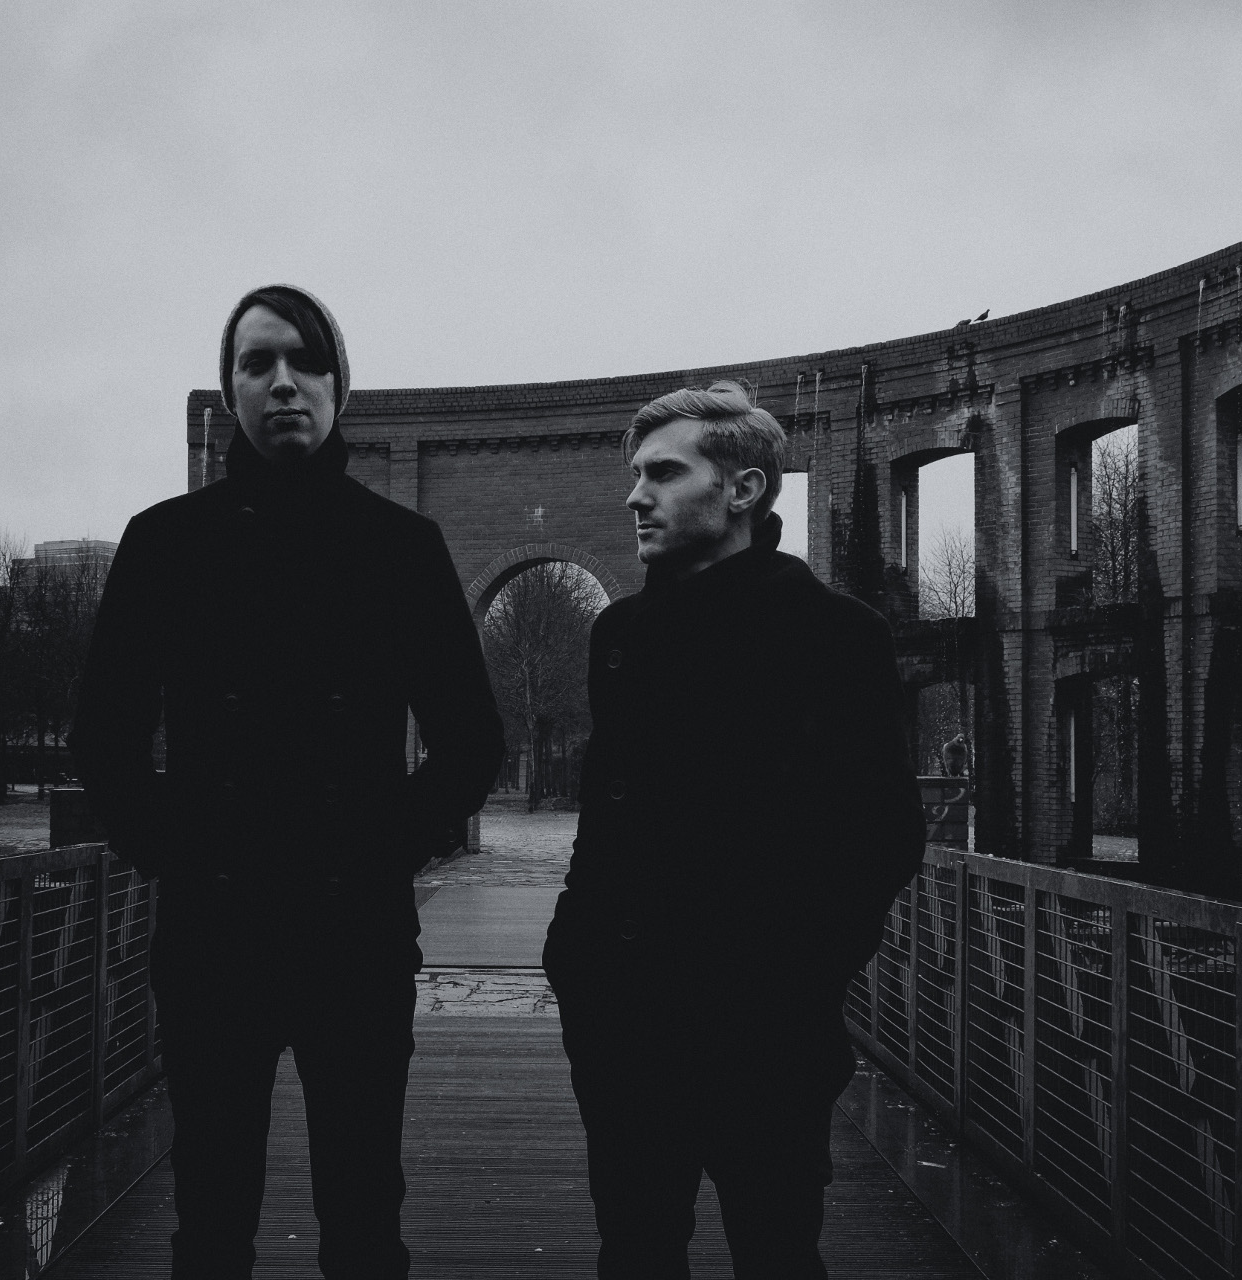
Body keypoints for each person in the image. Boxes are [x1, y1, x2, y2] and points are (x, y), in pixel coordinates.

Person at [71, 284, 505, 1280]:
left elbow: (473, 739)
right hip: (213, 932)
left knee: (365, 1214)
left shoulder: (402, 548)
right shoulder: (166, 541)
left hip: (355, 932)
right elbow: (103, 736)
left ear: (340, 386)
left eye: (306, 361)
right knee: (211, 1217)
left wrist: (388, 844)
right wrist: (174, 847)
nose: (283, 383)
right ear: (229, 390)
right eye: (257, 362)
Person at [543, 380, 925, 1278]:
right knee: (635, 1251)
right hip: (626, 1025)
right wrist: (577, 957)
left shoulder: (836, 636)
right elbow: (608, 822)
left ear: (744, 489)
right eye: (636, 475)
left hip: (767, 1035)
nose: (636, 496)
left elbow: (882, 837)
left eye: (664, 474)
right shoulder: (619, 636)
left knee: (777, 1251)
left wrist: (793, 983)